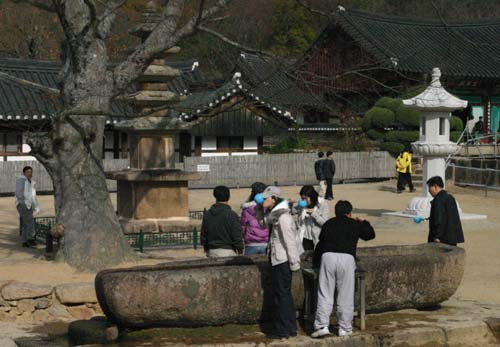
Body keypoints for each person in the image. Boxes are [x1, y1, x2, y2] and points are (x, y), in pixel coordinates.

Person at [311, 200, 375, 338]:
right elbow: (370, 235)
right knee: (345, 294)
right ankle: (344, 327)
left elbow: (321, 243)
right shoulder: (354, 224)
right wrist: (363, 221)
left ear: (336, 212)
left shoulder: (328, 223)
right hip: (347, 258)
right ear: (350, 213)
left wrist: (315, 262)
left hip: (328, 257)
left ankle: (322, 325)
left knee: (325, 293)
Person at [260, 186, 302, 339]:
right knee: (283, 294)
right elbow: (262, 224)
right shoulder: (274, 214)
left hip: (282, 260)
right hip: (276, 258)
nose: (263, 200)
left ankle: (283, 329)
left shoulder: (283, 217)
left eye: (266, 198)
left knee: (282, 295)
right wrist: (261, 209)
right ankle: (289, 327)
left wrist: (294, 263)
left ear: (274, 199)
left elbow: (289, 241)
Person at [201, 185, 244, 257]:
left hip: (212, 251)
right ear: (229, 197)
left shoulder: (207, 214)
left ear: (215, 196)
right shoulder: (232, 215)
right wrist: (240, 251)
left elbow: (204, 234)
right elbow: (237, 235)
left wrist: (206, 248)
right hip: (228, 251)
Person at [426, 176, 464, 246]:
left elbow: (439, 219)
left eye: (429, 187)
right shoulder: (449, 197)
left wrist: (437, 236)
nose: (428, 191)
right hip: (452, 237)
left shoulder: (438, 200)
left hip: (442, 239)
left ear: (435, 186)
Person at [296, 185, 329, 251]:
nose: (304, 201)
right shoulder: (301, 205)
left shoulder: (323, 204)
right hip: (303, 238)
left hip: (316, 239)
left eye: (306, 198)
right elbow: (293, 211)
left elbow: (325, 223)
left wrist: (314, 214)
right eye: (302, 198)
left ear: (312, 196)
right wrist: (291, 205)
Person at [240, 182, 269, 255]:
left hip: (251, 244)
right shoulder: (269, 208)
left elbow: (243, 227)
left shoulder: (246, 209)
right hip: (267, 243)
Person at [15, 166, 40, 248]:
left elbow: (32, 196)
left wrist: (36, 206)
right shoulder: (21, 180)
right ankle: (30, 239)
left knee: (26, 223)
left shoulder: (30, 182)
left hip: (28, 205)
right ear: (24, 173)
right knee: (30, 223)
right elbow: (18, 193)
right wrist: (24, 200)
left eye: (31, 172)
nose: (30, 173)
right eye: (28, 172)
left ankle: (24, 242)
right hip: (23, 204)